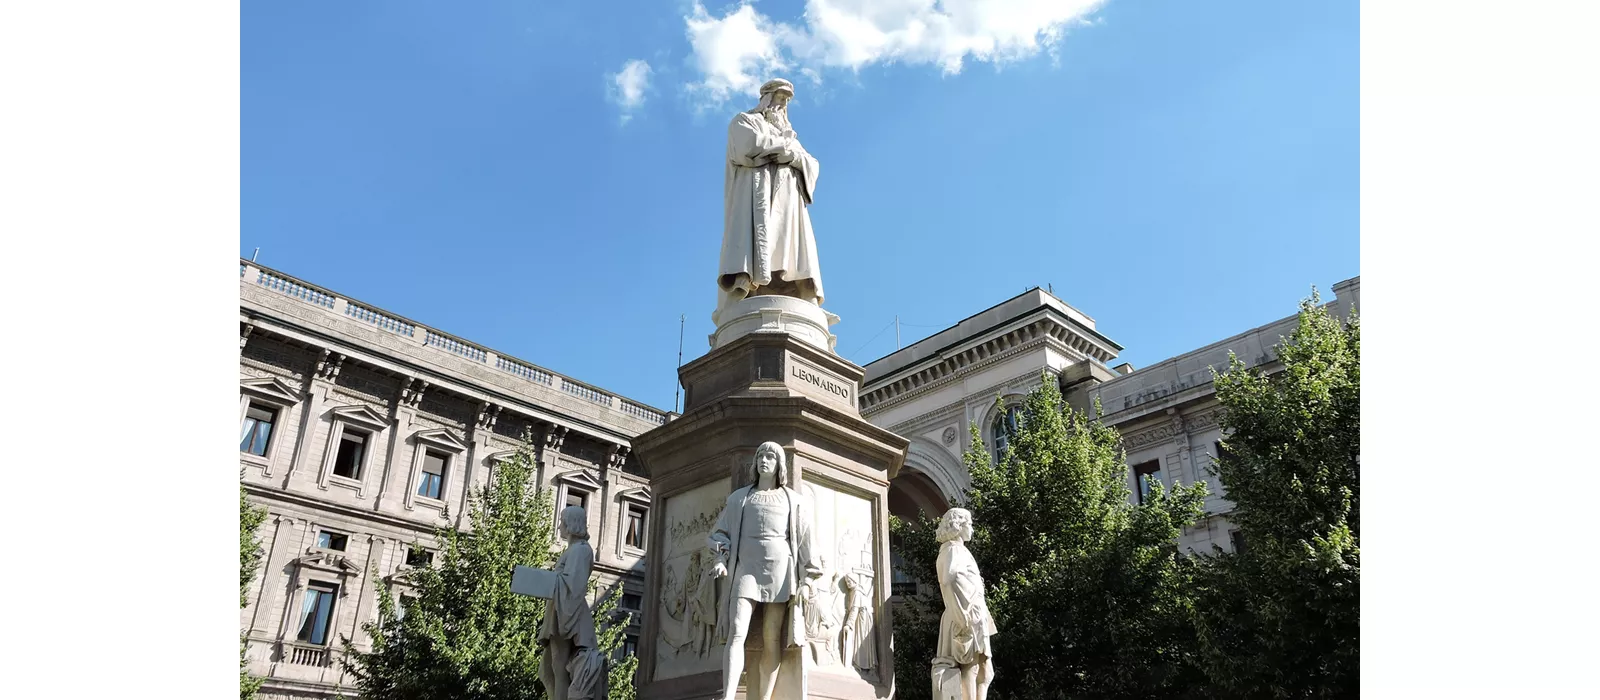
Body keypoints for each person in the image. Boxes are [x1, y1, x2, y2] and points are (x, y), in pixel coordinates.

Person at [707, 442, 821, 700]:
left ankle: (764, 697)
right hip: (746, 568)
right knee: (737, 630)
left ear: (779, 464)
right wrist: (721, 559)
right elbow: (719, 533)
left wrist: (808, 579)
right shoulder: (739, 499)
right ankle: (727, 696)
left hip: (780, 570)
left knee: (771, 636)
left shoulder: (793, 501)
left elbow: (805, 540)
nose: (764, 460)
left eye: (770, 456)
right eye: (760, 455)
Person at [715, 78, 824, 323]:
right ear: (766, 98)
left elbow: (812, 164)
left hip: (789, 203)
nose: (782, 104)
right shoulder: (745, 121)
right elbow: (749, 147)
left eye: (786, 100)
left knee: (790, 246)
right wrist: (786, 149)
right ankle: (749, 287)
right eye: (779, 97)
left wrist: (792, 155)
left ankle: (798, 289)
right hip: (756, 198)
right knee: (758, 242)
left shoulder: (791, 138)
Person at [539, 506, 604, 700]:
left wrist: (546, 580)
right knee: (547, 671)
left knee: (559, 668)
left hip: (566, 612)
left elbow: (574, 584)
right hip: (560, 609)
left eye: (562, 522)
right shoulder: (574, 550)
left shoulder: (581, 550)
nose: (559, 526)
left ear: (571, 524)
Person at [934, 508, 996, 700]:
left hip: (971, 614)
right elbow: (948, 579)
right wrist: (963, 616)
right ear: (958, 526)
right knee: (971, 668)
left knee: (985, 672)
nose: (972, 529)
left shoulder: (955, 549)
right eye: (969, 524)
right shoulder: (954, 549)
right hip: (967, 615)